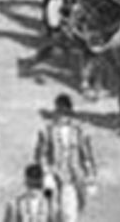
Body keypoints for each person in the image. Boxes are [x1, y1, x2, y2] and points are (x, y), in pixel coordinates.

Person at [33, 93, 95, 221]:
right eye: (59, 111)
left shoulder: (79, 131)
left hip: (72, 178)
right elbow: (40, 155)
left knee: (69, 213)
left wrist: (90, 178)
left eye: (65, 112)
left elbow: (87, 156)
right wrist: (45, 173)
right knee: (49, 211)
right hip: (52, 176)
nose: (62, 116)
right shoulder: (47, 130)